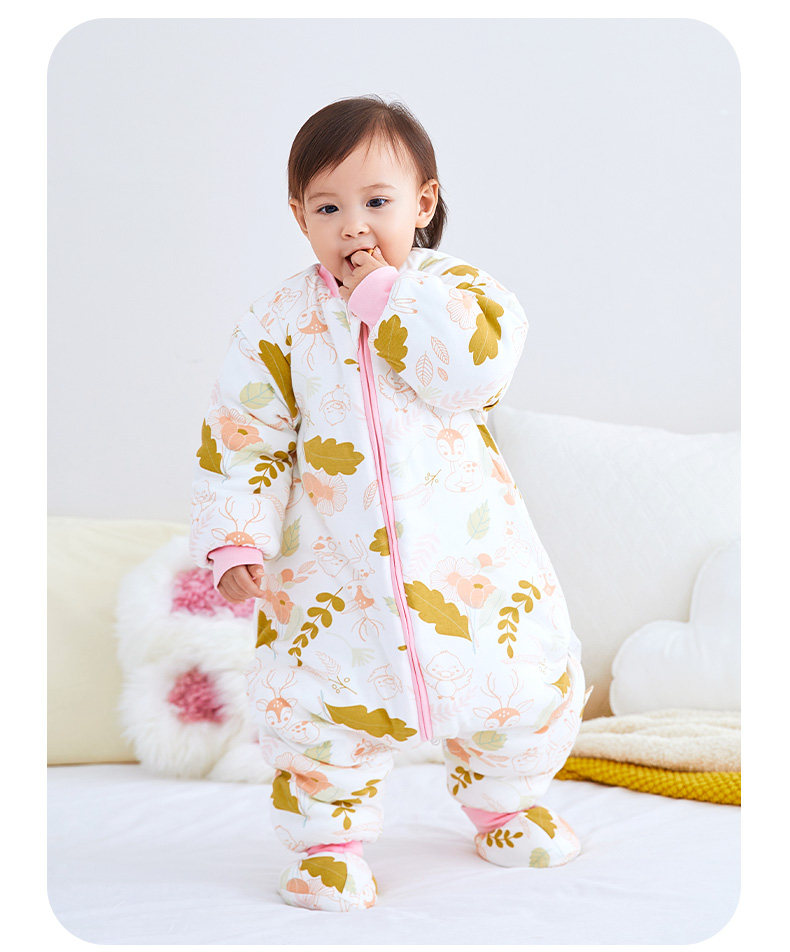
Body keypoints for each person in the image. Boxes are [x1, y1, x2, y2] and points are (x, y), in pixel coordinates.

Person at [189, 94, 590, 912]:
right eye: (328, 208)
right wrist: (236, 539)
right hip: (330, 568)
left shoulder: (457, 291)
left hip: (468, 555)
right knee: (317, 702)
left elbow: (474, 375)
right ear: (299, 216)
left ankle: (507, 804)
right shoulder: (278, 322)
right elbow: (244, 436)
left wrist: (386, 296)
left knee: (515, 678)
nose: (354, 227)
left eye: (377, 202)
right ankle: (328, 845)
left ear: (424, 203)